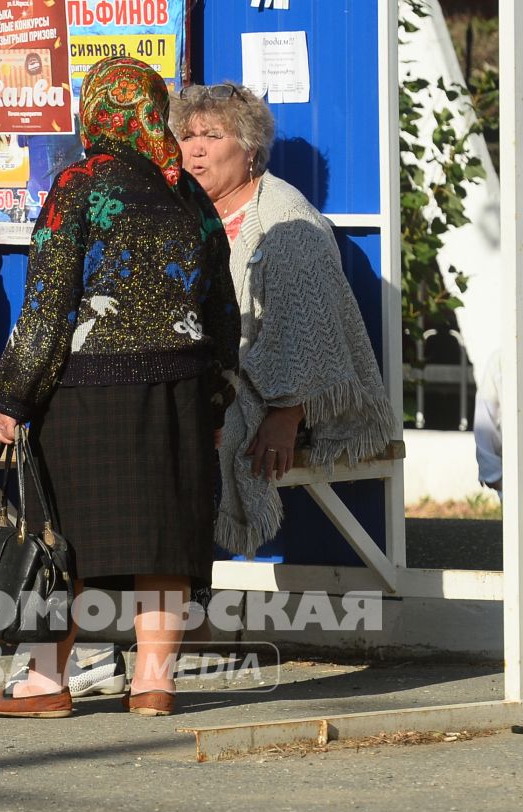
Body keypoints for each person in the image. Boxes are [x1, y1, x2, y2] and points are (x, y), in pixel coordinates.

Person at [0, 56, 238, 719]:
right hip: (177, 387)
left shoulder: (81, 185)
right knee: (165, 537)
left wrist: (15, 394)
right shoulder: (189, 195)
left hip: (88, 391)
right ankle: (155, 684)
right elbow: (223, 315)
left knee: (64, 538)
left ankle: (45, 682)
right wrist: (212, 403)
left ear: (96, 112)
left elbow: (47, 306)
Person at [171, 81, 393, 557]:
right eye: (188, 137)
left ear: (250, 149)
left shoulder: (287, 222)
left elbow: (310, 332)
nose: (196, 151)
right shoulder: (185, 211)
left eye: (212, 137)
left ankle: (174, 589)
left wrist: (287, 414)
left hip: (264, 399)